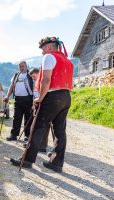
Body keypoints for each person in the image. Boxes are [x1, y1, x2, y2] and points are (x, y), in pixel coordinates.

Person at [10, 36, 73, 173]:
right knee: (60, 130)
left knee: (38, 126)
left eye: (43, 48)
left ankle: (26, 160)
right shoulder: (67, 61)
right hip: (66, 96)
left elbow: (46, 79)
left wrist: (40, 98)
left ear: (49, 47)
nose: (42, 52)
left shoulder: (49, 57)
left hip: (52, 96)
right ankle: (56, 163)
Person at [4, 61, 33, 141]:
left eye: (23, 66)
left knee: (28, 118)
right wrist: (7, 96)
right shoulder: (16, 75)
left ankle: (27, 135)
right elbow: (12, 86)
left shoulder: (30, 75)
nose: (21, 68)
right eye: (20, 66)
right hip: (18, 99)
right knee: (16, 117)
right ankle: (13, 135)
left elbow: (35, 86)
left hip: (28, 99)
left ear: (26, 66)